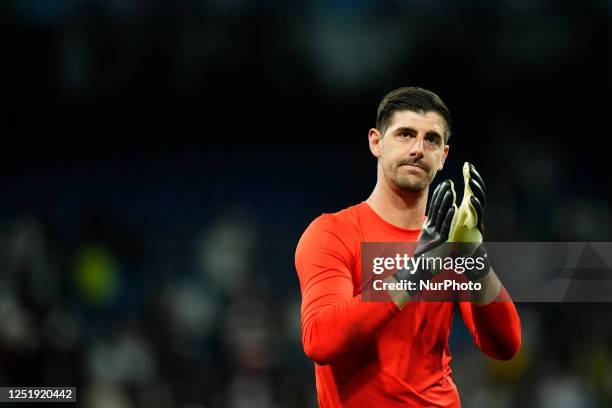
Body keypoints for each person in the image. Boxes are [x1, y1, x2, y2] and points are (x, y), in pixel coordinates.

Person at [295, 87, 521, 407]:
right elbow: (320, 340)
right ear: (376, 142)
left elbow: (504, 345)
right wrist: (418, 270)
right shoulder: (333, 233)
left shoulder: (450, 240)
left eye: (431, 139)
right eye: (405, 134)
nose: (418, 148)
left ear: (443, 156)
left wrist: (473, 254)